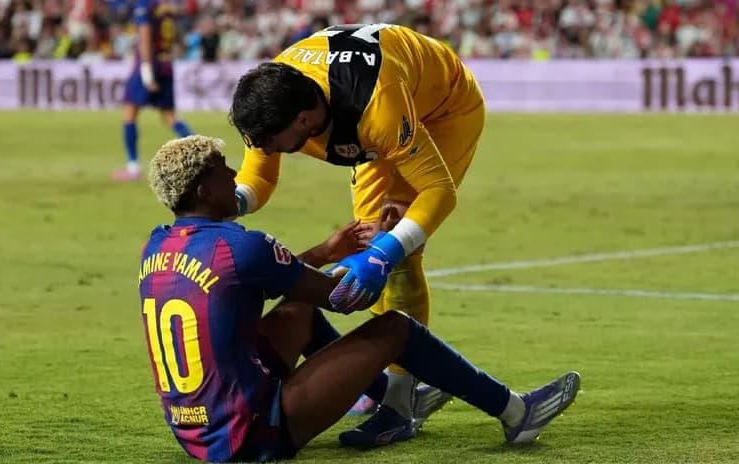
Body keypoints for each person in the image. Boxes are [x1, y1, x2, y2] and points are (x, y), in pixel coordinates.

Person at [138, 135, 581, 462]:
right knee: (395, 329)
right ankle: (517, 412)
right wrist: (381, 248)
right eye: (224, 170)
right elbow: (344, 297)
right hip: (248, 434)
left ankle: (394, 397)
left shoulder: (157, 245)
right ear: (204, 191)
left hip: (193, 427)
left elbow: (259, 278)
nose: (236, 176)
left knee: (297, 312)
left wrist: (329, 252)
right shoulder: (241, 246)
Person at [229, 23, 486, 446]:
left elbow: (438, 191)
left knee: (401, 253)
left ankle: (401, 404)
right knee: (370, 243)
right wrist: (226, 206)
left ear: (305, 120)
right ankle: (387, 377)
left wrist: (387, 252)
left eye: (274, 142)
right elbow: (257, 179)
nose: (267, 149)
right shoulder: (274, 94)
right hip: (377, 115)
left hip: (441, 109)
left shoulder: (374, 107)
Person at [113, 0, 193, 181]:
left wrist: (147, 71)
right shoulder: (167, 6)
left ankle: (133, 167)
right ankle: (204, 152)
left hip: (150, 62)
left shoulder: (145, 5)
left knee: (129, 113)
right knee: (170, 117)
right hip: (166, 63)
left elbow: (145, 35)